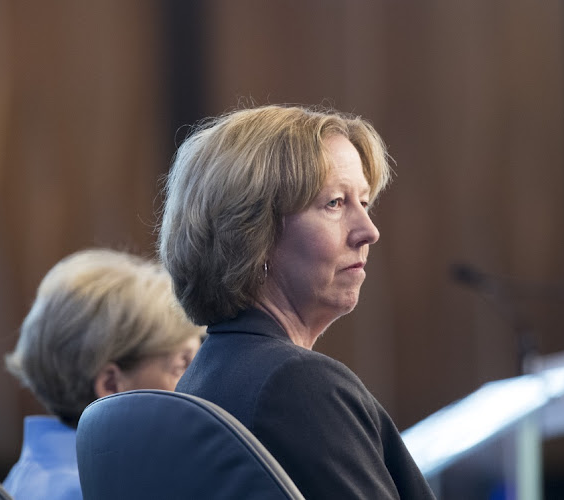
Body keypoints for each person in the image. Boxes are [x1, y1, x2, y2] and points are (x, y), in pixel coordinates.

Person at [159, 104, 435, 499]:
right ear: (254, 234)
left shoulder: (203, 375)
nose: (368, 231)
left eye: (365, 202)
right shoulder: (296, 387)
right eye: (335, 204)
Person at [3, 248, 206, 500]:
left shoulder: (29, 475)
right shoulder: (91, 492)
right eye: (182, 365)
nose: (198, 383)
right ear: (110, 385)